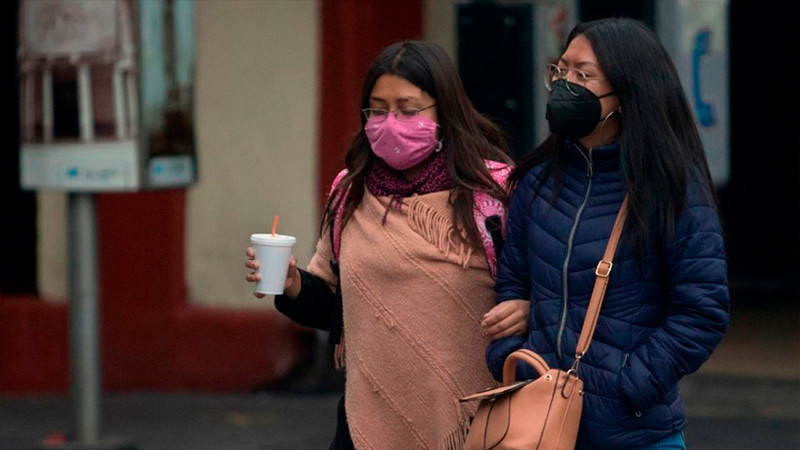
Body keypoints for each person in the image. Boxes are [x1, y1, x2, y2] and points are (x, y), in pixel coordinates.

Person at [245, 41, 529, 449]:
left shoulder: (494, 193)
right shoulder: (351, 191)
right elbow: (337, 307)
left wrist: (526, 308)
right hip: (366, 420)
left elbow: (547, 288)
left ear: (444, 112)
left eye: (408, 110)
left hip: (475, 422)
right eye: (377, 111)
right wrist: (291, 284)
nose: (391, 123)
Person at [489, 18, 730, 450]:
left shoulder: (671, 189)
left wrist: (629, 384)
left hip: (634, 433)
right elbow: (513, 282)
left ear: (627, 91)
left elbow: (702, 311)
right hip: (538, 424)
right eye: (561, 70)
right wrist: (509, 355)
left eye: (583, 75)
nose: (565, 84)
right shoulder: (537, 182)